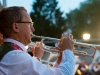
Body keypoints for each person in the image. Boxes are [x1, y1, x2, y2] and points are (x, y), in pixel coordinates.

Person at [0, 6, 75, 75]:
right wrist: (68, 50)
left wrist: (60, 60)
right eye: (29, 24)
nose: (33, 29)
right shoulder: (14, 55)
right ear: (16, 27)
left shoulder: (11, 53)